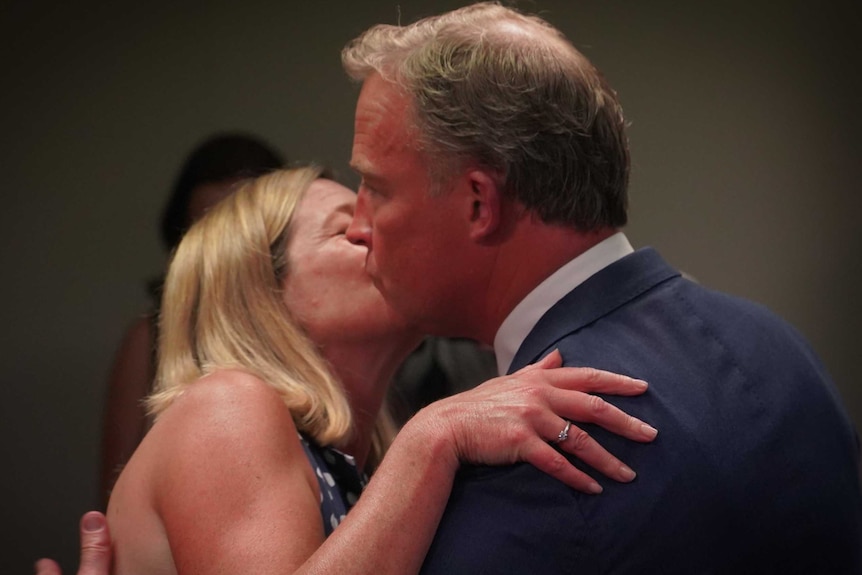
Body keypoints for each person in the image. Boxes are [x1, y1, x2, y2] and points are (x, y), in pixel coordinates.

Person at [337, 2, 862, 572]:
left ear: (478, 203)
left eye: (376, 188)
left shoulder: (538, 453)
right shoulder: (778, 344)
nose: (357, 226)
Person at [46, 165, 655, 574]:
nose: (380, 235)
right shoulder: (226, 405)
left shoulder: (345, 459)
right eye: (348, 230)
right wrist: (435, 435)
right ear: (264, 291)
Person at [100, 132, 285, 503]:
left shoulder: (307, 326)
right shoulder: (151, 339)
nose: (224, 249)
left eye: (242, 228)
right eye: (206, 228)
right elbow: (112, 498)